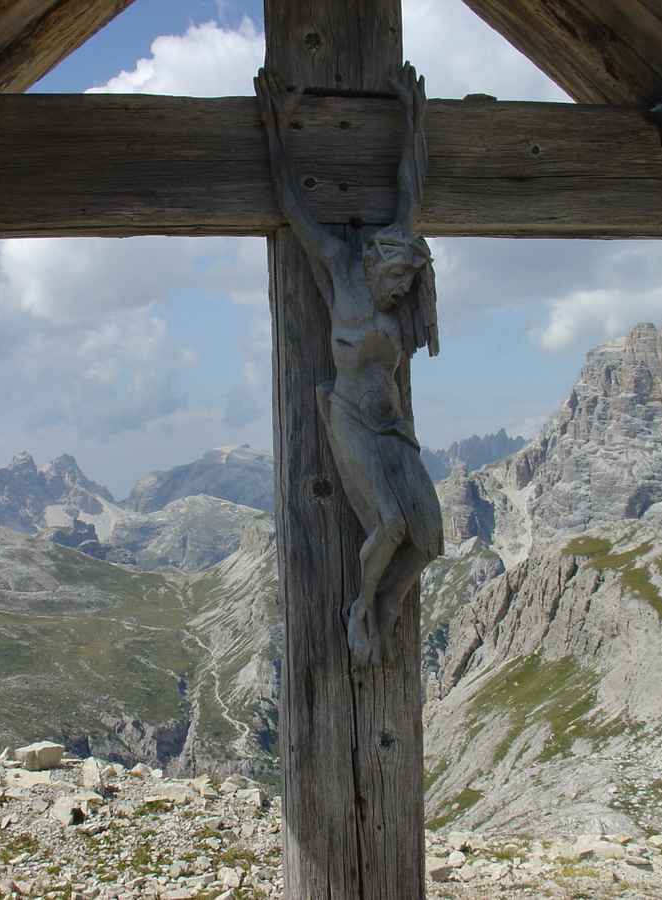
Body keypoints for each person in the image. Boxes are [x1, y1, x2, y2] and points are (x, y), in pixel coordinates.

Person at [256, 62, 444, 668]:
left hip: (393, 425)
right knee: (390, 525)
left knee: (430, 537)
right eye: (394, 280)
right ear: (374, 264)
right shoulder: (340, 266)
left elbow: (410, 187)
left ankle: (387, 604)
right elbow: (293, 205)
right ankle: (363, 608)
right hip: (349, 418)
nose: (399, 292)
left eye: (407, 284)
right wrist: (277, 130)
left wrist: (413, 117)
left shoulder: (398, 253)